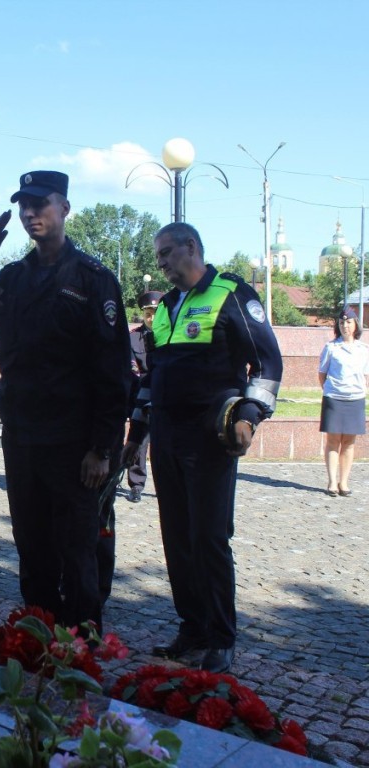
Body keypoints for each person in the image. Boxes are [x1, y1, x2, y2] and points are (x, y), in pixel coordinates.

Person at [0, 170, 132, 632]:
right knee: (32, 545)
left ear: (64, 208)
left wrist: (103, 448)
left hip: (74, 441)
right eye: (24, 206)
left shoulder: (93, 280)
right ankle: (39, 638)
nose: (29, 213)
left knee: (78, 547)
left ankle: (81, 647)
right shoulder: (11, 277)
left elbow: (113, 370)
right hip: (24, 435)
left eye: (40, 204)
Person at [123, 222, 283, 674]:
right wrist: (135, 435)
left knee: (209, 537)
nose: (162, 266)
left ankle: (220, 636)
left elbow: (269, 363)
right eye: (158, 258)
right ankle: (191, 627)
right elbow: (153, 377)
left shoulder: (231, 293)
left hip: (211, 439)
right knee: (176, 538)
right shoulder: (169, 306)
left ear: (191, 247)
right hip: (168, 439)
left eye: (166, 254)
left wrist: (250, 417)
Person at [318, 306, 369, 497]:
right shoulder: (331, 348)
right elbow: (322, 374)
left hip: (355, 399)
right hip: (334, 398)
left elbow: (365, 375)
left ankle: (344, 482)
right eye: (341, 323)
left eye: (348, 322)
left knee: (349, 442)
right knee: (333, 440)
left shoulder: (364, 350)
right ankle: (332, 482)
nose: (344, 326)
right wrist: (331, 390)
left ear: (356, 324)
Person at [125, 290, 163, 503]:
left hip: (165, 395)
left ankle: (164, 485)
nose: (152, 318)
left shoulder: (169, 335)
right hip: (140, 395)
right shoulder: (133, 338)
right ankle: (136, 485)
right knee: (138, 442)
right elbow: (133, 370)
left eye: (156, 313)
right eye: (148, 313)